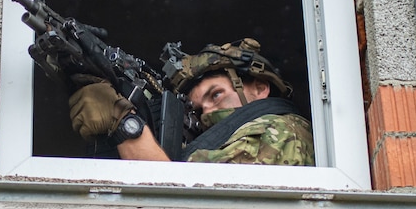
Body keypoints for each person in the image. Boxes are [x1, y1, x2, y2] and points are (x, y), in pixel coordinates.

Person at [68, 38, 315, 166]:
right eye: (197, 109)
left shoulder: (280, 131)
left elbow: (183, 197)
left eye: (215, 94)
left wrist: (123, 123)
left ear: (260, 87)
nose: (206, 110)